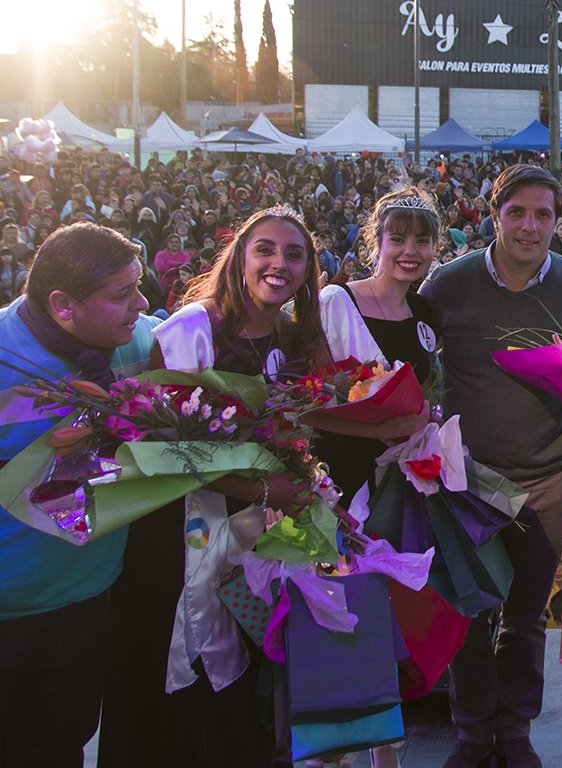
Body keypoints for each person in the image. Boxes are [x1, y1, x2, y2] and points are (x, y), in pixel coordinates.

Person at [98, 206, 326, 768]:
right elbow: (163, 448)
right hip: (179, 532)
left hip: (252, 537)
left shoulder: (293, 335)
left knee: (242, 684)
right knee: (183, 677)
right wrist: (261, 493)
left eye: (294, 254)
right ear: (239, 257)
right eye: (265, 249)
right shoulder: (192, 329)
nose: (279, 264)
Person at [421, 165, 562, 768]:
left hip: (545, 480)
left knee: (525, 615)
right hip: (465, 482)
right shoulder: (448, 284)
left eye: (543, 215)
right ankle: (470, 731)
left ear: (557, 222)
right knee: (468, 611)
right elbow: (411, 356)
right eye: (517, 212)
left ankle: (514, 730)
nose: (529, 227)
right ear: (494, 215)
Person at [0, 224, 155, 768]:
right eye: (123, 294)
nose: (142, 304)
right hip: (7, 612)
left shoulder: (139, 341)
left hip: (87, 603)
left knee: (59, 749)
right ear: (63, 305)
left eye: (140, 286)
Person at [317, 187, 441, 503]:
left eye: (422, 241)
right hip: (339, 473)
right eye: (397, 239)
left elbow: (423, 393)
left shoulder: (424, 311)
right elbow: (308, 405)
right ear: (377, 243)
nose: (410, 251)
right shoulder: (336, 302)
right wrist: (379, 431)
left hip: (401, 479)